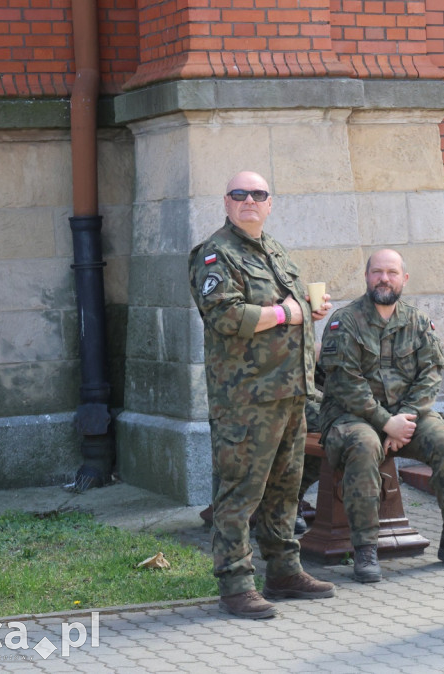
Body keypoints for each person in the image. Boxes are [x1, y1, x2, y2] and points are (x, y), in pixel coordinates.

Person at [188, 171, 336, 619]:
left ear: (270, 203)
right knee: (240, 493)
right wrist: (285, 312)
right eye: (239, 194)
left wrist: (309, 311)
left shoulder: (273, 250)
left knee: (284, 489)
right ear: (227, 203)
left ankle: (284, 571)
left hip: (290, 391)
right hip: (247, 399)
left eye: (258, 194)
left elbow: (290, 312)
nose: (249, 200)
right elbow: (225, 316)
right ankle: (235, 585)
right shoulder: (216, 254)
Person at [318, 249, 444, 583]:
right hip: (350, 417)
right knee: (365, 446)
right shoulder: (345, 321)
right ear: (367, 277)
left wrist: (405, 418)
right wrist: (385, 422)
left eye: (392, 273)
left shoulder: (418, 322)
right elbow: (346, 384)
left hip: (405, 416)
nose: (385, 278)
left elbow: (431, 375)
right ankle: (365, 548)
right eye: (378, 272)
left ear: (404, 279)